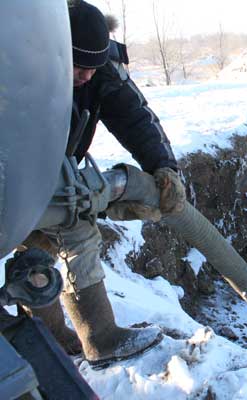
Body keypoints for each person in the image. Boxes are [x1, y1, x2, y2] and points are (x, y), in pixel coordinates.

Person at [19, 0, 186, 367]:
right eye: (79, 67)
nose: (86, 77)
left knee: (41, 242)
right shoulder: (19, 59)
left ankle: (47, 337)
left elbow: (133, 116)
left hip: (50, 170)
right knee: (76, 229)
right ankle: (101, 338)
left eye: (94, 69)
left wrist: (163, 166)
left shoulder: (96, 66)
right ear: (56, 47)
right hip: (14, 175)